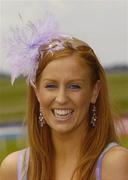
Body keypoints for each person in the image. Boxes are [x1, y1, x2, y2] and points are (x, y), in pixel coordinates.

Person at [0, 17, 128, 180]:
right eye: (51, 86)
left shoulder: (115, 164)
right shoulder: (14, 169)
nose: (61, 98)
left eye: (74, 86)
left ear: (94, 91)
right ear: (37, 92)